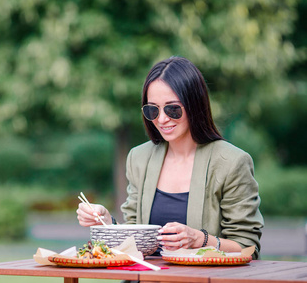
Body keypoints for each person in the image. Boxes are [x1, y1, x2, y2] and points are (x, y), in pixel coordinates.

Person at [77, 56, 264, 259]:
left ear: (194, 104)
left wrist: (200, 240)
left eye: (172, 109)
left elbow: (248, 248)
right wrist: (106, 222)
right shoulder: (139, 158)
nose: (162, 119)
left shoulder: (231, 162)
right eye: (152, 110)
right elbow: (133, 239)